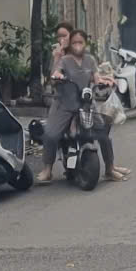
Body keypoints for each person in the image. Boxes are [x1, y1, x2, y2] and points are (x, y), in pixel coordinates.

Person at [36, 25, 94, 182]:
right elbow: (52, 79)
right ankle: (48, 169)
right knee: (51, 135)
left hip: (83, 102)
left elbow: (94, 73)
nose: (61, 39)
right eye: (59, 36)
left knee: (101, 130)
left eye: (64, 35)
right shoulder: (58, 56)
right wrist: (57, 56)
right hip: (63, 103)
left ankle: (110, 167)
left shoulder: (86, 56)